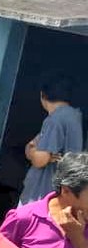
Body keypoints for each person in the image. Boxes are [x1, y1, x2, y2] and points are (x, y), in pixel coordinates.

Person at [19, 75, 83, 205]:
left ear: (42, 95)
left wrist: (32, 153)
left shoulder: (54, 120)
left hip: (42, 194)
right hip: (63, 193)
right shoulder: (76, 117)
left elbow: (40, 159)